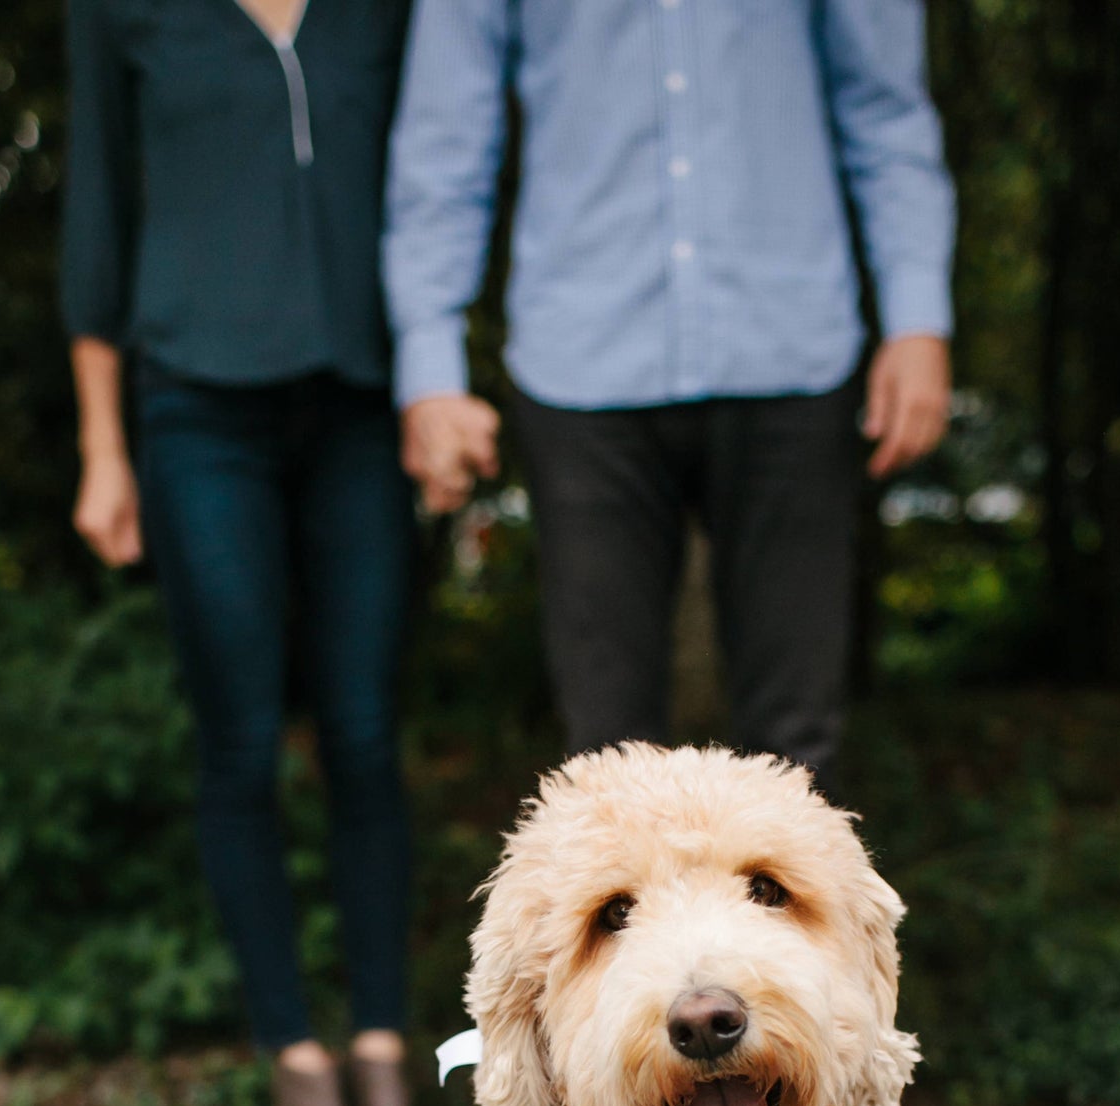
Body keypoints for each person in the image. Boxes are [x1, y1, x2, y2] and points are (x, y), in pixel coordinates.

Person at [384, 0, 956, 792]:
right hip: (581, 360)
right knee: (604, 766)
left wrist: (917, 318)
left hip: (789, 344)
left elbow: (885, 104)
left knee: (798, 762)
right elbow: (444, 136)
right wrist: (430, 362)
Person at [61, 0, 437, 1106]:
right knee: (238, 741)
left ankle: (383, 1059)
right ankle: (295, 1058)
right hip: (193, 406)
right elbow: (96, 212)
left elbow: (434, 181)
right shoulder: (129, 14)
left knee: (365, 733)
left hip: (359, 404)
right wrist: (102, 447)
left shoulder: (382, 13)